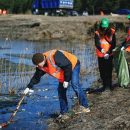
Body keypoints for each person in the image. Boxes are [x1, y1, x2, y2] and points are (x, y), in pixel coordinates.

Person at [23, 49, 90, 117]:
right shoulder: (40, 66)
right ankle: (64, 113)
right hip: (63, 71)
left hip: (73, 64)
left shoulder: (55, 56)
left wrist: (66, 80)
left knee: (75, 84)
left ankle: (85, 107)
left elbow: (68, 66)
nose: (37, 66)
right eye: (36, 65)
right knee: (61, 91)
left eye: (38, 64)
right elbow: (36, 77)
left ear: (43, 60)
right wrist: (29, 87)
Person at [93, 18, 116, 92]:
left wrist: (108, 52)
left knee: (109, 70)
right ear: (101, 26)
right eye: (103, 26)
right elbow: (97, 43)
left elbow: (114, 44)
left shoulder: (112, 32)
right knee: (102, 71)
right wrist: (102, 50)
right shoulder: (97, 33)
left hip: (109, 55)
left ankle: (109, 86)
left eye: (106, 27)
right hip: (101, 55)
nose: (105, 28)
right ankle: (104, 86)